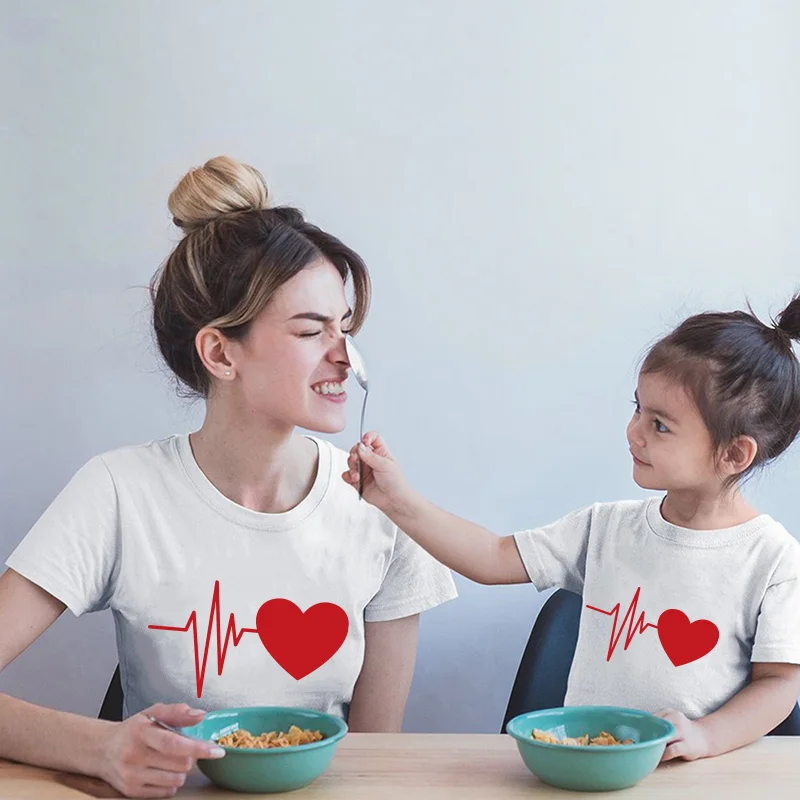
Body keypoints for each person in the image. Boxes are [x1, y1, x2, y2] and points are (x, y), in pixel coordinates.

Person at [0, 156, 456, 798]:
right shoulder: (119, 492)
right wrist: (102, 746)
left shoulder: (381, 507)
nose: (344, 357)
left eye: (345, 329)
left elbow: (371, 760)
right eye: (310, 329)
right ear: (219, 352)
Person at [344, 296, 800, 762]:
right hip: (587, 766)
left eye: (660, 425)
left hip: (693, 778)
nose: (633, 431)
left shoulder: (773, 559)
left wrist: (706, 737)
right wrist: (395, 500)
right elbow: (492, 556)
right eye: (638, 408)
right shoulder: (605, 527)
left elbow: (780, 683)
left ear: (733, 454)